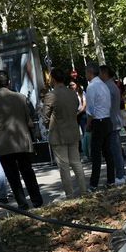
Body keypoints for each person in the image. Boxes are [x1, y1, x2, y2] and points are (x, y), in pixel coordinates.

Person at [0, 71, 44, 209]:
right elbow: (28, 118)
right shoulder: (20, 98)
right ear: (9, 82)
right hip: (21, 140)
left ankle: (22, 204)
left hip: (3, 143)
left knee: (12, 175)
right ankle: (37, 200)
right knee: (27, 171)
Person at [42, 68, 87, 198]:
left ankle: (69, 194)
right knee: (76, 163)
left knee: (64, 166)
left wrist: (47, 124)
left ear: (54, 79)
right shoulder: (72, 93)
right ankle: (84, 190)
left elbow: (45, 116)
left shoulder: (51, 95)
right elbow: (75, 109)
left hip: (58, 134)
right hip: (73, 131)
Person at [84, 64, 115, 191]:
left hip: (98, 121)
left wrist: (88, 124)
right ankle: (111, 180)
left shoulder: (91, 86)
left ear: (90, 72)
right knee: (108, 153)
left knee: (96, 154)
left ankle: (93, 184)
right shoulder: (104, 85)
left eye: (86, 72)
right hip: (107, 120)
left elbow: (90, 109)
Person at [99, 66, 126, 186]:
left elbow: (106, 105)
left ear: (105, 73)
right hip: (114, 121)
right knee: (116, 150)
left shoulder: (108, 87)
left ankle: (120, 175)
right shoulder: (112, 85)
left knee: (115, 151)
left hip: (111, 122)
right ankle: (121, 173)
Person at [71, 79, 89, 161]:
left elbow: (84, 105)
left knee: (85, 132)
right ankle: (78, 150)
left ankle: (87, 151)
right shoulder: (69, 94)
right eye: (70, 85)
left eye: (73, 85)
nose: (72, 86)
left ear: (76, 85)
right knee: (75, 134)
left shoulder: (81, 93)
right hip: (74, 115)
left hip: (82, 114)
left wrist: (78, 112)